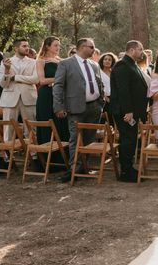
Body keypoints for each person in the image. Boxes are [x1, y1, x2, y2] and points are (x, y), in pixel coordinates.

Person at [53, 38, 104, 182]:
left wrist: (101, 102)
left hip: (94, 107)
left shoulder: (94, 65)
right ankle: (73, 169)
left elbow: (99, 83)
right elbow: (58, 86)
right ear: (82, 47)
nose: (94, 50)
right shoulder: (66, 64)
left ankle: (84, 167)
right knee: (75, 139)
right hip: (75, 108)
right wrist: (59, 106)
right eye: (91, 47)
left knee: (89, 139)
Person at [110, 40, 149, 182]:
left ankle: (129, 168)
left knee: (131, 139)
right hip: (125, 112)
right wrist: (128, 111)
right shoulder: (122, 65)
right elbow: (123, 91)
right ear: (132, 50)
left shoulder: (132, 64)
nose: (142, 52)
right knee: (127, 139)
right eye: (140, 49)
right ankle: (126, 172)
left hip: (133, 111)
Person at [0, 38, 39, 142]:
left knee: (31, 128)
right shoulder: (6, 62)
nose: (27, 48)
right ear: (16, 48)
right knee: (8, 129)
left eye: (28, 46)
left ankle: (33, 155)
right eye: (24, 46)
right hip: (10, 99)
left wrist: (15, 77)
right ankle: (8, 156)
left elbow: (35, 79)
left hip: (29, 98)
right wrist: (7, 70)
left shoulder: (34, 62)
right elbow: (3, 84)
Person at [36, 37, 69, 151]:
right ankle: (48, 158)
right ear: (47, 46)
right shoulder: (41, 60)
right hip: (46, 95)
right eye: (55, 45)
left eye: (58, 45)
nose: (58, 48)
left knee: (61, 122)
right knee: (47, 122)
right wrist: (59, 79)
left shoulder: (62, 61)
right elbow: (42, 81)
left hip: (60, 95)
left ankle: (63, 156)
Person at [98, 52, 117, 118]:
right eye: (105, 59)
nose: (107, 61)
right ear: (102, 61)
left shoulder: (114, 73)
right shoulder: (98, 72)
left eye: (109, 60)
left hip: (113, 99)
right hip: (102, 99)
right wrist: (105, 98)